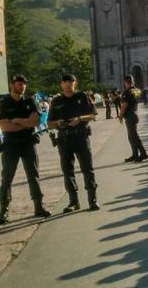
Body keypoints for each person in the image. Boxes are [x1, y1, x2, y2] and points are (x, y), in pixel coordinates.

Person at [0, 74, 51, 224]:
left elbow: (36, 122)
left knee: (33, 175)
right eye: (18, 84)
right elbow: (5, 125)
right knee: (7, 177)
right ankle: (3, 211)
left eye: (24, 84)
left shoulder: (30, 101)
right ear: (12, 85)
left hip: (28, 143)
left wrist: (17, 120)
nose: (22, 86)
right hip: (11, 144)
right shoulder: (4, 103)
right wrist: (25, 123)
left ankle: (38, 206)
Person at [48, 73, 100, 212]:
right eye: (65, 81)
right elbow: (49, 123)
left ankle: (92, 199)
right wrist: (58, 123)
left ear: (75, 83)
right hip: (64, 139)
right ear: (61, 84)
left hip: (81, 137)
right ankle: (73, 201)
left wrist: (80, 119)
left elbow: (94, 114)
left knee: (87, 169)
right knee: (67, 171)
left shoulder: (82, 97)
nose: (68, 84)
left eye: (71, 81)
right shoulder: (56, 101)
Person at [119, 75, 148, 162]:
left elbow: (124, 105)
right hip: (135, 113)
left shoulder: (127, 92)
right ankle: (135, 154)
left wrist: (120, 115)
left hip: (130, 115)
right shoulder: (137, 90)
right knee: (132, 136)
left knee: (133, 136)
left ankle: (143, 153)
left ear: (125, 82)